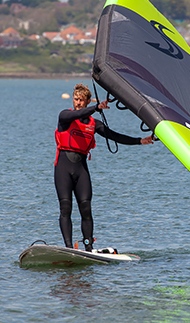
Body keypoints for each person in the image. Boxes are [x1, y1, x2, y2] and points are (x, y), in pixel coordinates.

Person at [54, 83, 155, 252]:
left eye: (81, 100)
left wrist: (139, 140)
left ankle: (88, 246)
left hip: (81, 169)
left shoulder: (94, 124)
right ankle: (69, 247)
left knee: (86, 208)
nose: (78, 103)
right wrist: (96, 107)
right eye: (76, 99)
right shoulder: (65, 116)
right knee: (66, 208)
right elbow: (79, 114)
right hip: (63, 168)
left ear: (86, 101)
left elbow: (114, 136)